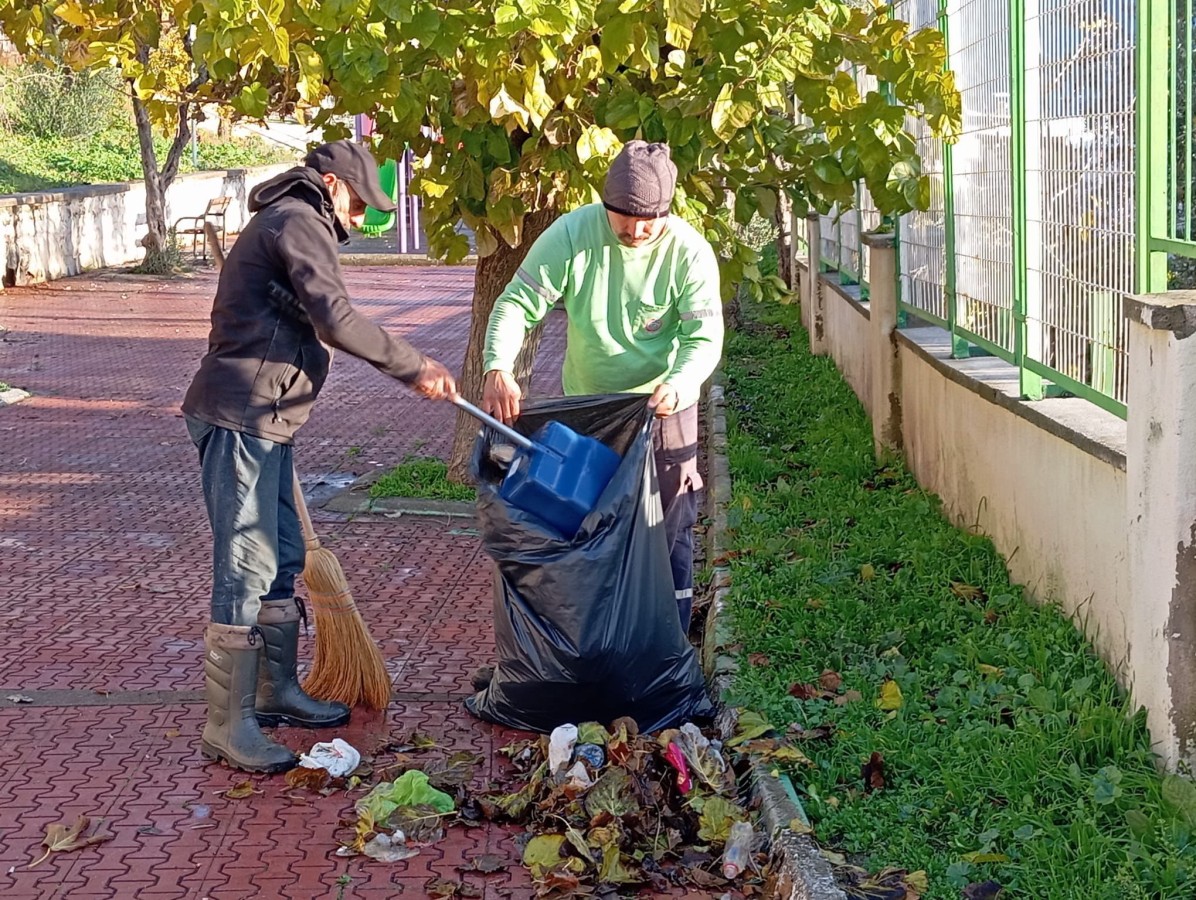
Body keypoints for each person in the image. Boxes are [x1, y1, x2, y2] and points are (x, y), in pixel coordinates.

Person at [182, 140, 457, 773]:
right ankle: (228, 724)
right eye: (360, 206)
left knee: (281, 554)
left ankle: (275, 691)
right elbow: (335, 317)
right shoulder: (298, 221)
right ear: (332, 185)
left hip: (268, 417)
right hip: (239, 417)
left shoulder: (295, 220)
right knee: (245, 567)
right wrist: (415, 366)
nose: (361, 221)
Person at [480, 140, 724, 639]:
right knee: (583, 517)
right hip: (588, 412)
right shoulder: (571, 234)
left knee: (667, 525)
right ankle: (592, 637)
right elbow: (516, 303)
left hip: (664, 405)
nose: (636, 231)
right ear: (604, 205)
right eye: (623, 219)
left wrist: (679, 384)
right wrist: (497, 366)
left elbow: (704, 337)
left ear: (667, 211)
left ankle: (668, 640)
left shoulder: (688, 252)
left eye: (649, 221)